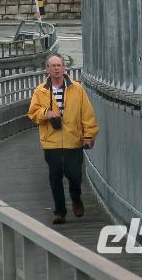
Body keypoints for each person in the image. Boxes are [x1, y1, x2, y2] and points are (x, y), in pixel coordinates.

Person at [27, 53, 98, 224]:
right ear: (47, 69)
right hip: (51, 142)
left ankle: (76, 198)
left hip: (73, 140)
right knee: (55, 177)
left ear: (64, 68)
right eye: (53, 66)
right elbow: (32, 113)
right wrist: (47, 113)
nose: (56, 68)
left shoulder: (77, 89)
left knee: (75, 176)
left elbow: (87, 114)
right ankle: (60, 212)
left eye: (59, 65)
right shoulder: (41, 91)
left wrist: (89, 135)